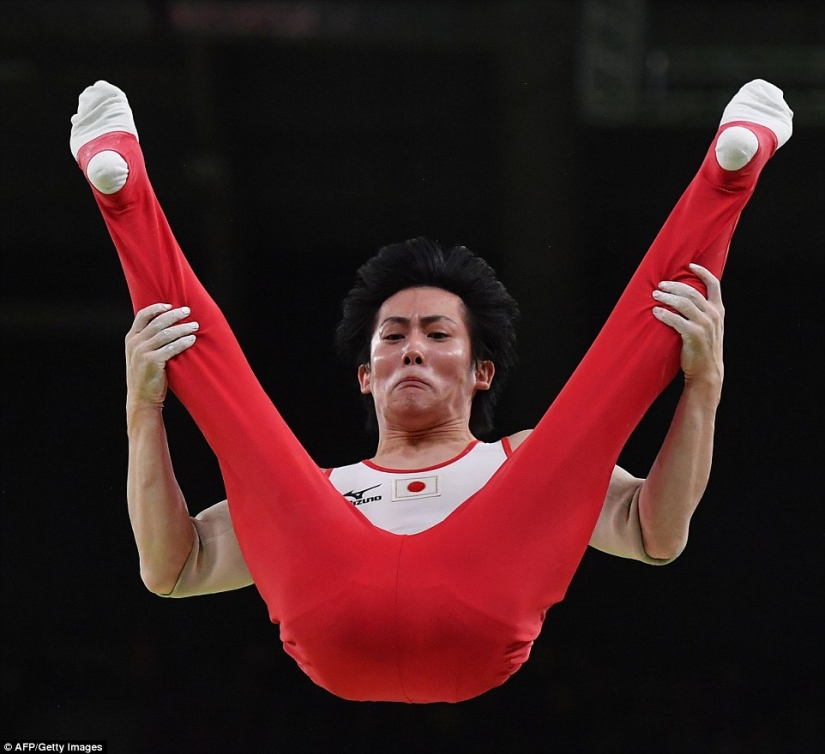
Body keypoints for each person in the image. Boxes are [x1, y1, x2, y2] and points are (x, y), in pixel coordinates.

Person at [70, 78, 792, 703]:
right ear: (365, 376)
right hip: (333, 585)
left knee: (605, 384)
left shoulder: (521, 463)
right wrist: (145, 409)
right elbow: (172, 569)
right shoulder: (311, 495)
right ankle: (122, 192)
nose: (412, 346)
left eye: (439, 334)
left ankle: (728, 175)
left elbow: (654, 536)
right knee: (234, 409)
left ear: (483, 372)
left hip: (478, 595)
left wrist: (702, 384)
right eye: (392, 336)